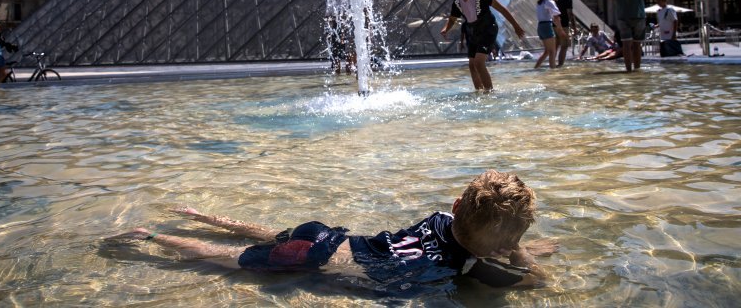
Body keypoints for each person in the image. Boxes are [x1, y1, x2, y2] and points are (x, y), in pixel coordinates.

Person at [105, 170, 558, 293]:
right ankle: (151, 238)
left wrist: (509, 241)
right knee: (221, 259)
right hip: (314, 260)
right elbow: (540, 281)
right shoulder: (471, 266)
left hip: (329, 236)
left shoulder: (442, 219)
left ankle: (200, 214)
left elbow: (473, 231)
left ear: (457, 205)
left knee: (266, 234)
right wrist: (521, 251)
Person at [439, 0, 525, 91]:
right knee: (472, 65)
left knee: (479, 63)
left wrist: (516, 26)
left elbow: (501, 9)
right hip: (472, 32)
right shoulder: (457, 2)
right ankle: (478, 92)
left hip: (488, 29)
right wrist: (445, 29)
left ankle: (489, 92)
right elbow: (452, 19)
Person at [608, 0, 651, 72]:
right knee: (637, 44)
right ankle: (637, 69)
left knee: (626, 44)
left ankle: (628, 70)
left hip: (623, 14)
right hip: (639, 14)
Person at [534, 0, 565, 70]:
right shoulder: (549, 1)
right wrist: (560, 29)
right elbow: (556, 17)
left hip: (540, 26)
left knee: (547, 51)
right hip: (547, 26)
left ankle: (536, 68)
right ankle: (553, 70)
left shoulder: (540, 3)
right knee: (552, 51)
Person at [555, 0, 576, 67]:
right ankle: (560, 65)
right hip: (563, 25)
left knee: (555, 45)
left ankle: (552, 64)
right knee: (564, 46)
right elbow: (569, 13)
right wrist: (574, 26)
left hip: (553, 24)